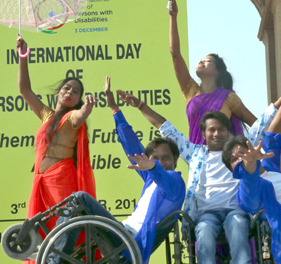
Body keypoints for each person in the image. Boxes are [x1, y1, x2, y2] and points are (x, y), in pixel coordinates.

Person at [128, 64, 281, 264]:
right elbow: (166, 128)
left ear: (228, 131)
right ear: (204, 133)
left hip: (236, 211)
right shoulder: (195, 153)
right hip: (206, 214)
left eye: (221, 129)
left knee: (238, 225)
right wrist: (141, 106)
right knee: (204, 231)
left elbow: (263, 123)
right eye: (211, 130)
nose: (216, 133)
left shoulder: (238, 151)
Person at [47, 77, 185, 264]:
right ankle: (52, 252)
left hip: (129, 244)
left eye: (166, 157)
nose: (161, 161)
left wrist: (153, 166)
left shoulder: (175, 183)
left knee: (81, 197)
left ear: (175, 160)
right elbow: (131, 145)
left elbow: (162, 177)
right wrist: (114, 109)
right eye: (156, 157)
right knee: (77, 204)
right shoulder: (151, 178)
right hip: (120, 233)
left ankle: (52, 259)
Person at [167, 0, 281, 164]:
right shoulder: (190, 90)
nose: (201, 62)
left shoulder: (228, 97)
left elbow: (258, 124)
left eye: (207, 61)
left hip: (224, 162)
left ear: (218, 71)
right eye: (201, 60)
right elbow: (175, 55)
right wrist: (173, 17)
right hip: (198, 160)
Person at [221, 67, 281, 264]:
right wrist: (249, 165)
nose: (243, 158)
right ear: (234, 171)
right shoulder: (248, 193)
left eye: (244, 152)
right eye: (236, 159)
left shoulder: (269, 167)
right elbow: (250, 184)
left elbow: (274, 131)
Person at [17, 35, 97, 247]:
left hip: (61, 180)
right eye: (67, 88)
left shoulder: (71, 119)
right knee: (44, 236)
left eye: (75, 91)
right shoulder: (47, 115)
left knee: (62, 232)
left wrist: (86, 108)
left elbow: (80, 116)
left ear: (78, 98)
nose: (70, 92)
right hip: (41, 181)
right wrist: (23, 57)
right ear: (59, 91)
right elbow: (25, 90)